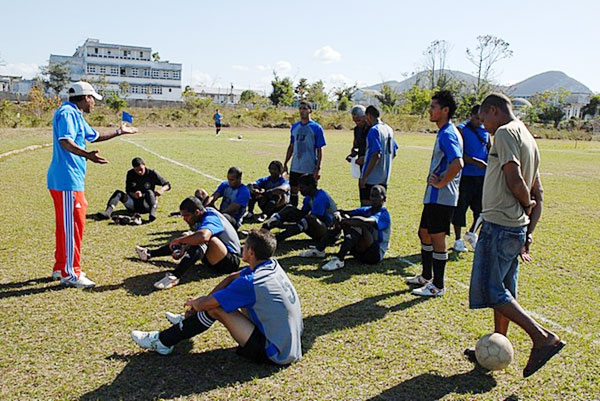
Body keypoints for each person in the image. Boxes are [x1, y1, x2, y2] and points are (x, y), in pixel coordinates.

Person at [466, 93, 564, 378]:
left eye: (484, 119)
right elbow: (539, 190)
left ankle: (543, 338)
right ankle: (499, 341)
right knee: (504, 289)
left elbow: (515, 179)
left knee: (491, 290)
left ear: (494, 111)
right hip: (515, 227)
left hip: (500, 225)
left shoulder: (506, 133)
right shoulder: (528, 137)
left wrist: (523, 204)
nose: (483, 126)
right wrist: (529, 227)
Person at [131, 228, 303, 366]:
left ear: (250, 252)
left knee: (215, 308)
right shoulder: (271, 264)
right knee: (216, 303)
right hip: (290, 342)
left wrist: (196, 304)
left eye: (244, 246)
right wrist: (201, 304)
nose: (242, 247)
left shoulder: (252, 282)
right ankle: (182, 325)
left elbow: (209, 304)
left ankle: (162, 341)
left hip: (277, 354)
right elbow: (230, 278)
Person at [48, 81, 138, 288]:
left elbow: (94, 136)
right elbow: (65, 140)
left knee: (66, 226)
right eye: (92, 99)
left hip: (68, 180)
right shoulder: (68, 113)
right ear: (85, 98)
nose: (94, 103)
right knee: (73, 227)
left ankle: (61, 266)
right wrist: (87, 155)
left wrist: (119, 131)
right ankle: (71, 273)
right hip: (66, 180)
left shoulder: (74, 114)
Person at [406, 90, 463, 297]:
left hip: (442, 197)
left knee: (438, 238)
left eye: (433, 107)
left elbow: (458, 162)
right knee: (424, 233)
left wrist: (440, 183)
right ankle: (426, 276)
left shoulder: (448, 133)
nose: (429, 110)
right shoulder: (445, 131)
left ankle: (437, 286)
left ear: (445, 110)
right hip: (433, 197)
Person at [135, 196, 241, 290]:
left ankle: (175, 276)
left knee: (201, 239)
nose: (184, 219)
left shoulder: (211, 218)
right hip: (216, 257)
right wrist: (184, 246)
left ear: (197, 212)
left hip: (230, 262)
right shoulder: (203, 214)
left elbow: (203, 236)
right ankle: (149, 253)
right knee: (190, 237)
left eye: (186, 216)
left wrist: (180, 241)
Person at [319, 185, 391, 271]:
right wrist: (337, 215)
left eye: (377, 196)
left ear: (384, 199)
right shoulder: (367, 210)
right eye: (372, 196)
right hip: (359, 252)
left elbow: (365, 222)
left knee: (359, 225)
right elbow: (344, 212)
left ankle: (339, 258)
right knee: (346, 217)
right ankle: (319, 249)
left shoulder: (384, 214)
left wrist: (343, 221)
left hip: (373, 255)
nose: (373, 199)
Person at [451, 105, 490, 252]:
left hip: (481, 177)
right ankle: (457, 239)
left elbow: (489, 149)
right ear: (470, 115)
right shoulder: (461, 129)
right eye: (477, 118)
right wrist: (474, 161)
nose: (479, 121)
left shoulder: (486, 130)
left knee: (481, 209)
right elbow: (458, 153)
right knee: (460, 208)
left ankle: (471, 232)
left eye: (482, 118)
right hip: (466, 176)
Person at [262, 174, 337, 247]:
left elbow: (313, 219)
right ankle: (266, 227)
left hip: (327, 232)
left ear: (310, 186)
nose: (300, 190)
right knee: (290, 209)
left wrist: (284, 225)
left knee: (309, 218)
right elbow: (302, 214)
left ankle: (278, 237)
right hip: (318, 225)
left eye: (302, 188)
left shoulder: (320, 198)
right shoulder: (309, 197)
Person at [97, 157, 170, 224]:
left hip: (147, 203)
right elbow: (128, 190)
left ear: (144, 165)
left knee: (149, 192)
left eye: (141, 169)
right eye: (136, 170)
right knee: (118, 193)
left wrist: (161, 190)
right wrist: (134, 194)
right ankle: (107, 213)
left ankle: (152, 214)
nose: (139, 172)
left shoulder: (152, 173)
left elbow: (167, 185)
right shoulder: (130, 174)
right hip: (134, 204)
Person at [283, 101, 326, 207]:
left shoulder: (316, 128)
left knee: (309, 192)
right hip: (296, 165)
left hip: (309, 166)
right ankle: (292, 213)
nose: (302, 111)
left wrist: (318, 168)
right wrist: (286, 162)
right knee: (294, 191)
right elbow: (291, 146)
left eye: (304, 108)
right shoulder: (295, 127)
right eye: (300, 108)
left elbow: (319, 150)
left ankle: (309, 214)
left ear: (310, 110)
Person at [359, 105, 398, 206]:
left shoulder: (374, 130)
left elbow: (376, 154)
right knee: (379, 208)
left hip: (372, 179)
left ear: (369, 116)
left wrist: (365, 177)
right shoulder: (389, 129)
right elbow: (394, 152)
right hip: (384, 177)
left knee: (367, 209)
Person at [346, 105, 370, 205]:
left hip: (371, 164)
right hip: (361, 165)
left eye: (359, 120)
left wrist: (365, 158)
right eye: (355, 121)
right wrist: (352, 154)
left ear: (365, 117)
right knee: (362, 190)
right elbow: (356, 146)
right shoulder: (357, 130)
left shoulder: (372, 129)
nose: (357, 123)